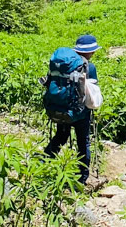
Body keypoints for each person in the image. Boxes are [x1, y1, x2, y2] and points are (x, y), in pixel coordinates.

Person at [43, 34, 100, 183]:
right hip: (80, 113)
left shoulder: (62, 63)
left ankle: (42, 164)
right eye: (93, 51)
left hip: (60, 108)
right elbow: (92, 92)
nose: (93, 54)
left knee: (61, 136)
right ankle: (82, 177)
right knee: (83, 141)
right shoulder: (88, 66)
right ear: (88, 51)